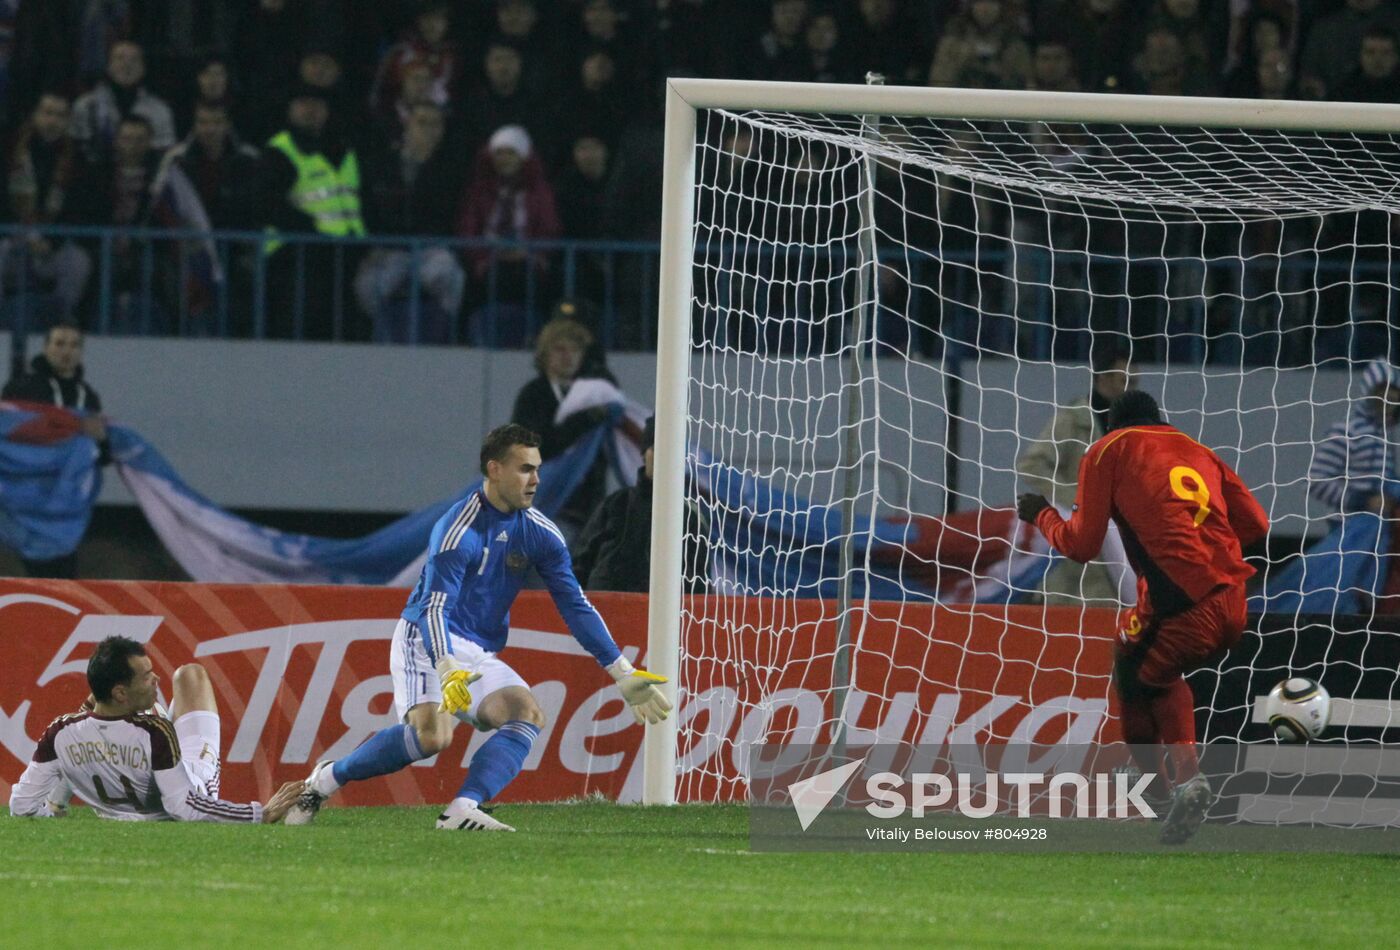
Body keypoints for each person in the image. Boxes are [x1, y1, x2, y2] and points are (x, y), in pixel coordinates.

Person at [285, 424, 671, 831]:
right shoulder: (458, 530)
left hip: (476, 649)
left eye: (537, 469)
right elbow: (434, 607)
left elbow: (574, 604)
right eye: (525, 469)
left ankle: (461, 809)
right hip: (426, 638)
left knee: (526, 712)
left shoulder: (540, 533)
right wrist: (446, 664)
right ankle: (325, 779)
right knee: (433, 739)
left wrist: (619, 670)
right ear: (494, 469)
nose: (536, 480)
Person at [1017, 390, 1269, 845]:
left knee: (1136, 674)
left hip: (1180, 597)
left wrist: (1042, 515)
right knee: (1151, 670)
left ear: (1113, 425)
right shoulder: (1199, 451)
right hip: (1234, 599)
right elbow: (1257, 525)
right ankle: (1169, 785)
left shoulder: (1108, 449)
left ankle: (1169, 788)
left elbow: (1081, 544)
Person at [9, 635, 304, 823]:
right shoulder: (154, 732)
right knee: (191, 675)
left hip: (115, 812)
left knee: (91, 729)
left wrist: (52, 811)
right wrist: (258, 814)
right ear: (122, 693)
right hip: (195, 782)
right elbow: (184, 807)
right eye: (147, 676)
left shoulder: (59, 731)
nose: (156, 679)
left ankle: (58, 802)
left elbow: (21, 805)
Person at [1015, 350, 1136, 607]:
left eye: (1133, 382)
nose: (1129, 388)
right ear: (1102, 378)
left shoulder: (1132, 427)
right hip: (1074, 541)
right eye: (1124, 380)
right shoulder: (1072, 420)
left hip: (1115, 541)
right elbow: (1031, 464)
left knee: (1108, 617)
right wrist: (1074, 499)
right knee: (1065, 615)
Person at [2, 321, 109, 578]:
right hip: (26, 502)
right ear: (46, 347)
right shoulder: (21, 389)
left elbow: (99, 457)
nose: (66, 351)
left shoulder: (88, 397)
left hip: (65, 509)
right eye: (59, 343)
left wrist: (102, 440)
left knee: (63, 580)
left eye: (74, 345)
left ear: (81, 351)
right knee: (43, 579)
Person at [355, 101, 465, 343]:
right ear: (408, 125)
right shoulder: (383, 164)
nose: (429, 129)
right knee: (369, 286)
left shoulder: (451, 168)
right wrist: (373, 244)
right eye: (422, 122)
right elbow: (369, 208)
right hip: (390, 247)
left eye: (436, 124)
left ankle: (438, 341)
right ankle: (381, 341)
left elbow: (453, 214)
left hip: (431, 248)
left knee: (450, 278)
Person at [511, 315, 616, 530]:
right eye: (560, 349)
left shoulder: (593, 394)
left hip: (587, 509)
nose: (568, 357)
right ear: (545, 353)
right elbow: (534, 447)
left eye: (575, 350)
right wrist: (583, 420)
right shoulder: (533, 394)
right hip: (545, 505)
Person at [2, 91, 92, 320]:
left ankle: (61, 320)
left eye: (60, 115)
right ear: (35, 115)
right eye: (47, 113)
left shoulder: (78, 158)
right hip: (13, 238)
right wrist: (22, 232)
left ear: (68, 120)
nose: (53, 120)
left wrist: (52, 240)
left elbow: (78, 208)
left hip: (54, 243)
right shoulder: (9, 150)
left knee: (79, 262)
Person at [69, 40, 176, 162]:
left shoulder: (160, 110)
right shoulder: (85, 105)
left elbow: (164, 155)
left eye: (134, 59)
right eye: (119, 58)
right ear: (108, 66)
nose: (126, 64)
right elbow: (77, 150)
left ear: (143, 68)